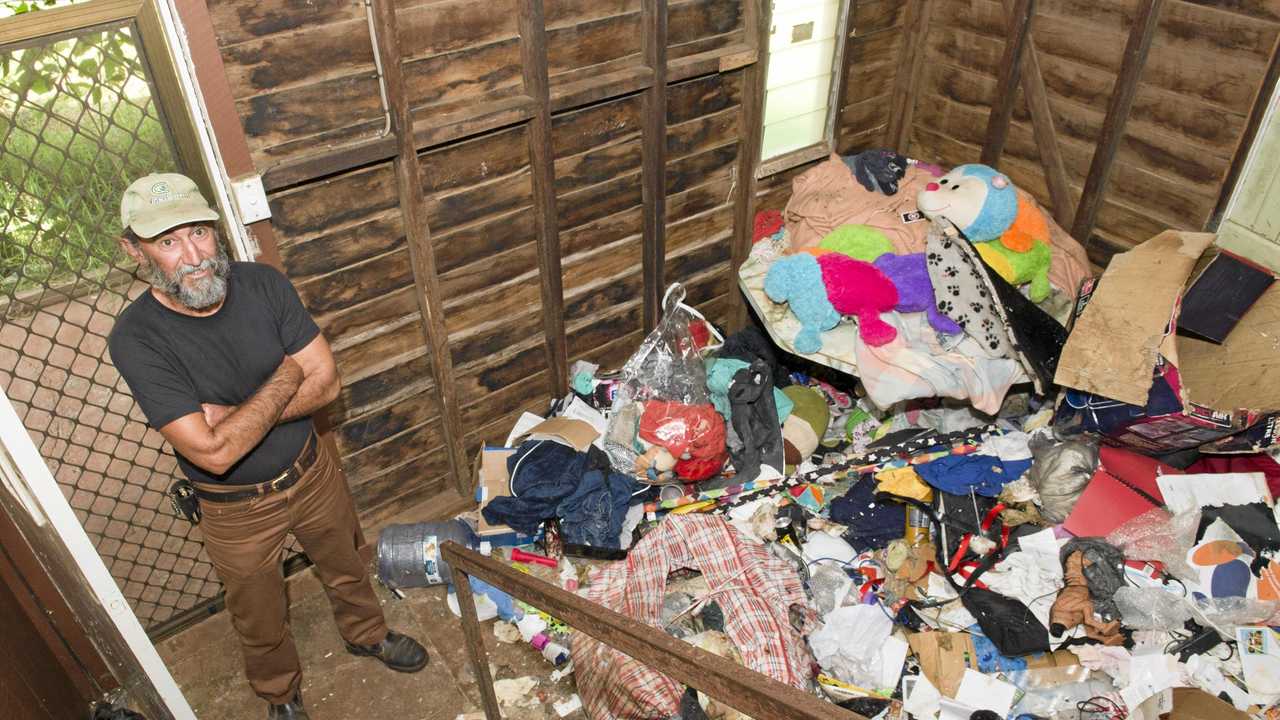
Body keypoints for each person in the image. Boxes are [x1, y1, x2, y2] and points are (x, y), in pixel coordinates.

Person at [107, 174, 427, 720]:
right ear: (134, 251)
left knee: (346, 566)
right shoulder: (136, 338)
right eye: (168, 242)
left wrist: (234, 416)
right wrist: (283, 377)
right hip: (235, 508)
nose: (194, 256)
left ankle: (367, 634)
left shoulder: (263, 284)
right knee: (258, 615)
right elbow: (212, 454)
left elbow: (325, 384)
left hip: (311, 470)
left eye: (200, 233)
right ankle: (280, 694)